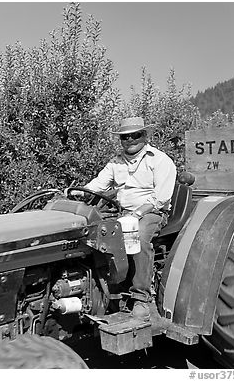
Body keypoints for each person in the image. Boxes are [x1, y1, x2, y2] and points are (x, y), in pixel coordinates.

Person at [66, 116, 176, 321]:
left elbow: (161, 198)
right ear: (121, 139)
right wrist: (78, 192)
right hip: (123, 212)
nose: (130, 140)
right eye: (125, 137)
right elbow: (99, 184)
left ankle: (141, 298)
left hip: (151, 213)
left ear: (145, 136)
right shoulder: (115, 162)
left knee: (139, 239)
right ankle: (106, 290)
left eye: (135, 135)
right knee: (95, 235)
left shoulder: (160, 160)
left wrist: (138, 214)